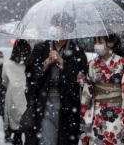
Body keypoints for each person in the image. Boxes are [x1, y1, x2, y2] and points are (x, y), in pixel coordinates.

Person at [25, 13, 88, 145]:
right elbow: (31, 75)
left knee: (65, 137)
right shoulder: (40, 48)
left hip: (67, 101)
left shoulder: (76, 51)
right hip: (45, 99)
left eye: (58, 26)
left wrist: (62, 62)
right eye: (53, 25)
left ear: (67, 29)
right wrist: (45, 65)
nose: (54, 29)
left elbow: (81, 76)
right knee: (46, 136)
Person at [77, 34, 124, 145]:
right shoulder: (92, 65)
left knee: (115, 139)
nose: (97, 45)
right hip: (97, 111)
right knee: (96, 140)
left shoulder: (121, 62)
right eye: (95, 42)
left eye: (100, 42)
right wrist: (82, 83)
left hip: (117, 111)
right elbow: (88, 90)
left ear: (110, 44)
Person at [2, 40, 32, 145]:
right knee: (29, 127)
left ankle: (17, 138)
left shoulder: (7, 65)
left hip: (13, 97)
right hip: (27, 97)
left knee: (16, 127)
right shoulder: (30, 64)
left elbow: (4, 81)